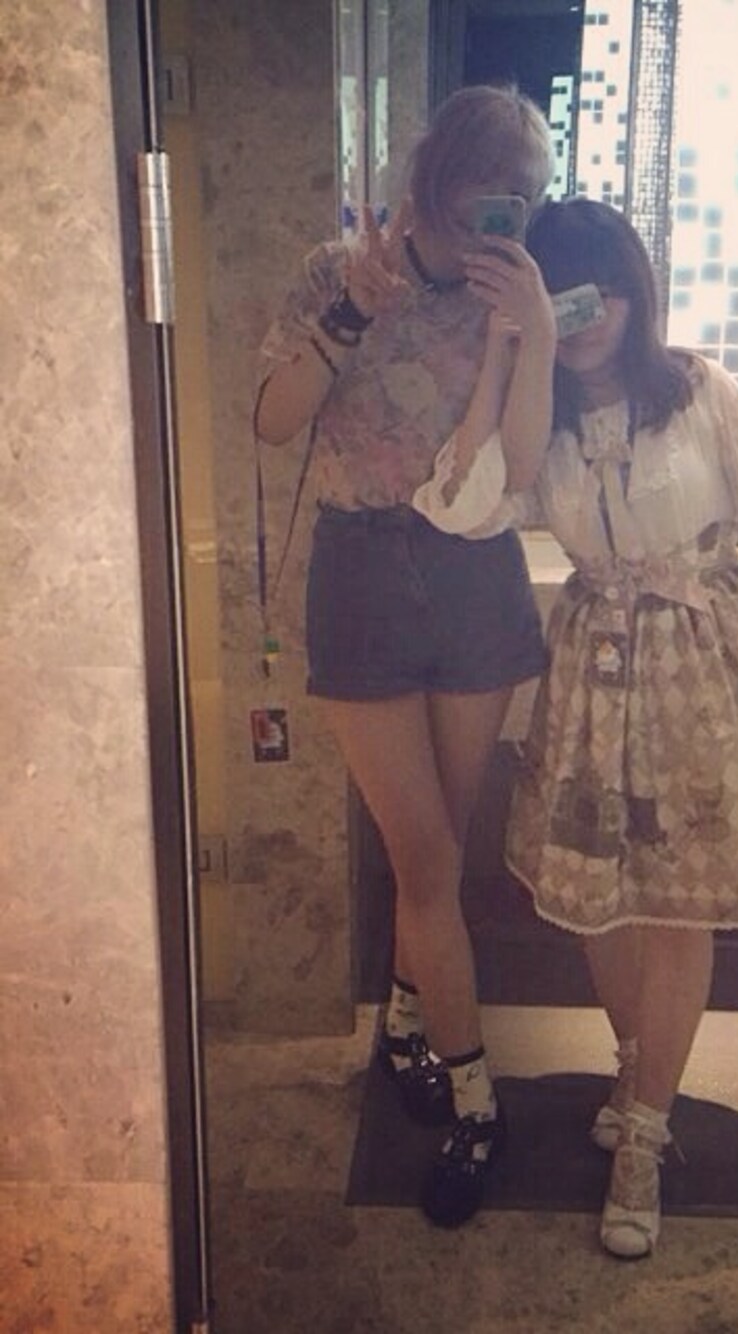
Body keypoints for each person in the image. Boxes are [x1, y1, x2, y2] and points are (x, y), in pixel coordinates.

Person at [413, 197, 738, 1257]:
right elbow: (462, 505)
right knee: (597, 909)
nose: (589, 317)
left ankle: (646, 1135)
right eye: (564, 297)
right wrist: (508, 352)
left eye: (602, 293)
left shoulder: (697, 389)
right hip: (592, 680)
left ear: (635, 292)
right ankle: (637, 1066)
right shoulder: (540, 415)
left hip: (702, 669)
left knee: (677, 912)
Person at [254, 84, 558, 1228]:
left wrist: (528, 333)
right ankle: (476, 1104)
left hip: (475, 573)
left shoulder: (509, 295)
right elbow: (271, 418)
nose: (506, 210)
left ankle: (402, 1027)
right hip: (363, 571)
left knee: (438, 854)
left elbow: (520, 465)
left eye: (526, 194)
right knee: (426, 857)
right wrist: (350, 311)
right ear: (438, 175)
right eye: (492, 186)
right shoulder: (338, 271)